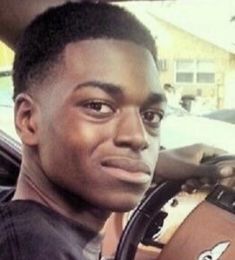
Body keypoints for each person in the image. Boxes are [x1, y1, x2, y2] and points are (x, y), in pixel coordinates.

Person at [0, 2, 234, 260]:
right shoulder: (35, 251)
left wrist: (157, 163)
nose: (137, 137)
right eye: (98, 107)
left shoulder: (20, 221)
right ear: (28, 120)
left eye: (151, 116)